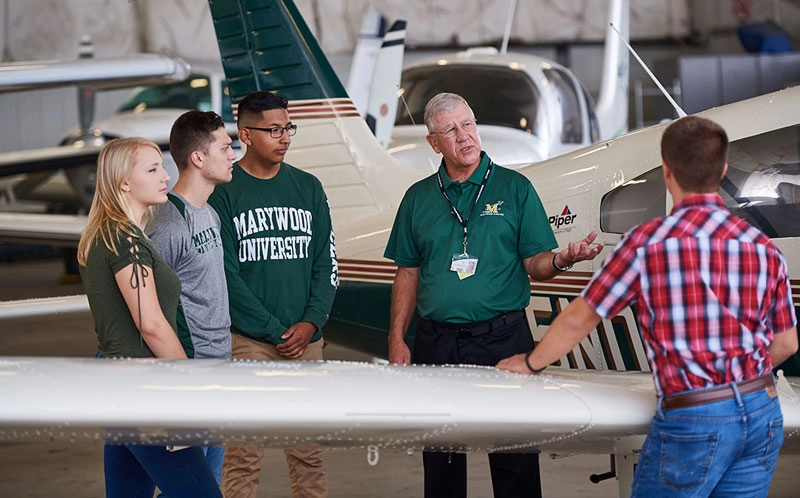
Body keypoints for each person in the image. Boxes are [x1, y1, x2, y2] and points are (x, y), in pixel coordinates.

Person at [497, 115, 799, 497]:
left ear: (667, 171)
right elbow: (787, 344)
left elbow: (580, 319)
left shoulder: (647, 243)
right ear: (723, 169)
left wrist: (529, 363)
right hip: (762, 411)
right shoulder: (762, 247)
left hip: (695, 416)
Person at [384, 92, 603, 498]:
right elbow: (407, 271)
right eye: (450, 130)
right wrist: (397, 336)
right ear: (434, 143)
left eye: (468, 124)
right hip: (437, 341)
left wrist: (563, 259)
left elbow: (536, 263)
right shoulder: (417, 198)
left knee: (515, 459)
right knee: (442, 459)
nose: (464, 136)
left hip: (504, 339)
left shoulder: (515, 188)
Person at [208, 91, 338, 498]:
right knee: (244, 454)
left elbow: (326, 263)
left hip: (305, 339)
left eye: (288, 128)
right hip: (248, 341)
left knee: (308, 453)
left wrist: (311, 322)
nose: (284, 138)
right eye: (274, 130)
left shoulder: (309, 187)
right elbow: (225, 276)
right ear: (245, 134)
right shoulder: (224, 193)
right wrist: (272, 330)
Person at [76, 137, 222, 498]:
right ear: (124, 181)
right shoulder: (126, 241)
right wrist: (190, 386)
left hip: (119, 383)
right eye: (153, 169)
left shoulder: (106, 235)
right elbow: (151, 324)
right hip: (143, 387)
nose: (165, 176)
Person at [147, 110, 237, 488]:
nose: (233, 155)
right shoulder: (168, 223)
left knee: (209, 481)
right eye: (226, 147)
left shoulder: (210, 214)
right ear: (198, 159)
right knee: (189, 489)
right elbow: (151, 311)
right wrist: (181, 376)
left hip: (217, 371)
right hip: (188, 373)